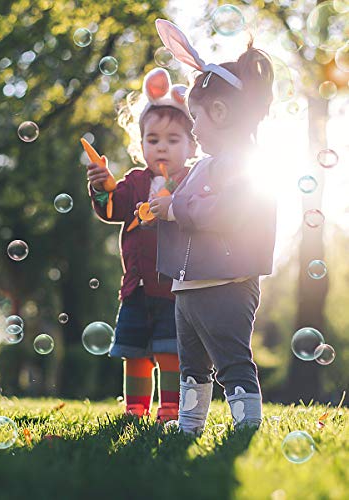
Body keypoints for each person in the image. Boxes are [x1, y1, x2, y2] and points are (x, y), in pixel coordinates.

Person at [150, 19, 277, 434]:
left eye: (196, 118)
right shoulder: (205, 164)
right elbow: (185, 205)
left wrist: (175, 211)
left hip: (225, 282)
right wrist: (162, 207)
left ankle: (246, 426)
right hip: (190, 284)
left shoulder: (241, 162)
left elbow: (227, 212)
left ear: (219, 112)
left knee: (231, 359)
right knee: (191, 366)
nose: (193, 129)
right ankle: (189, 425)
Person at [86, 67, 196, 422]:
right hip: (136, 287)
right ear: (141, 145)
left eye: (173, 139)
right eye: (153, 139)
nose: (162, 146)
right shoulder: (134, 181)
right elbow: (113, 210)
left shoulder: (193, 182)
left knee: (169, 351)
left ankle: (170, 408)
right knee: (134, 351)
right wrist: (102, 188)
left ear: (192, 145)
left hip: (174, 286)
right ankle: (135, 409)